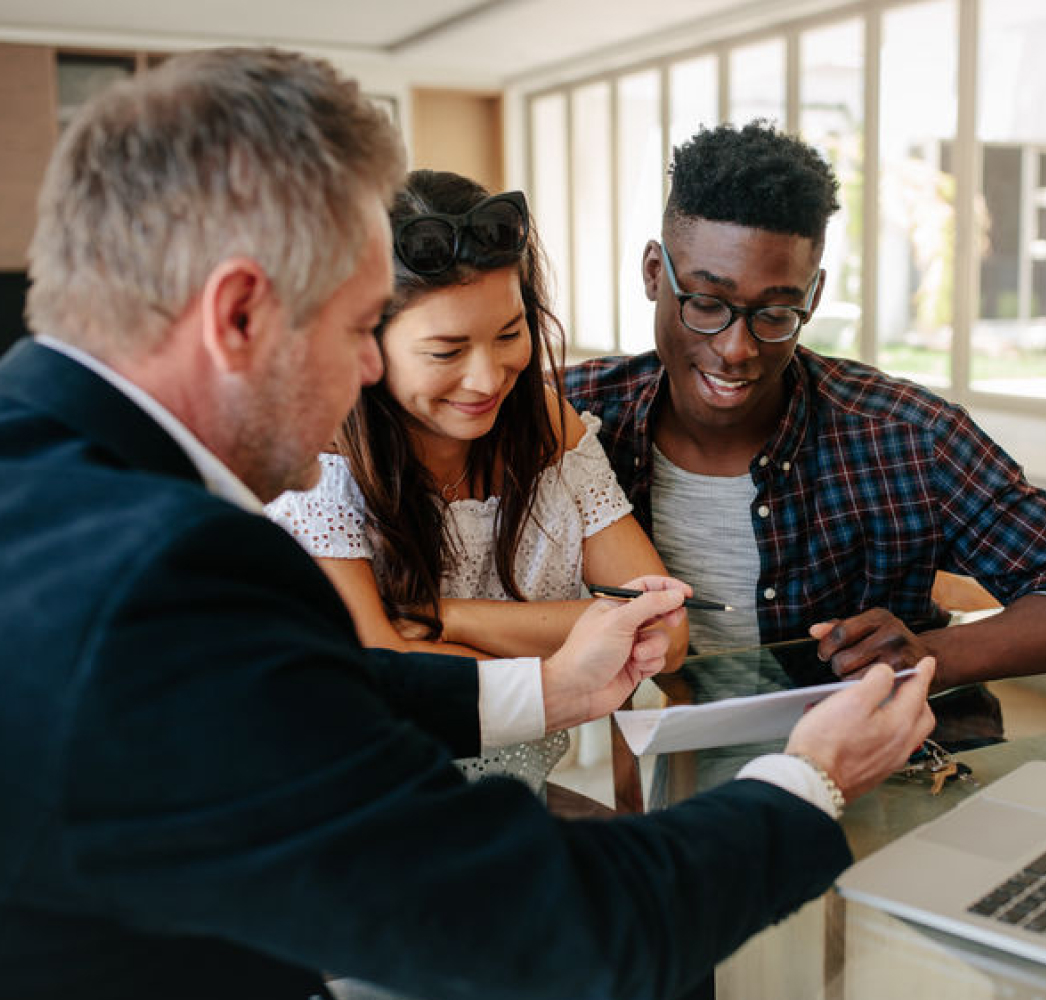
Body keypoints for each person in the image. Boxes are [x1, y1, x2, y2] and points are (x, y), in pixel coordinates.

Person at [0, 49, 935, 1000]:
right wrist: (812, 777)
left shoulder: (40, 479)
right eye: (363, 327)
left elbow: (328, 689)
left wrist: (548, 692)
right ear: (240, 313)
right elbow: (561, 932)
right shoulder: (161, 577)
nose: (372, 374)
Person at [563, 120, 1046, 695]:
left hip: (909, 764)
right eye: (706, 302)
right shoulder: (571, 421)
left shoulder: (907, 437)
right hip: (689, 768)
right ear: (652, 273)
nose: (735, 349)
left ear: (812, 298)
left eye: (774, 313)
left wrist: (930, 653)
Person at [267, 168, 688, 796]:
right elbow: (381, 671)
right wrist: (570, 648)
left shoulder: (548, 426)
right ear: (365, 343)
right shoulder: (321, 456)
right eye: (446, 351)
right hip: (359, 817)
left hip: (517, 808)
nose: (488, 379)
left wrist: (447, 618)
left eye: (510, 334)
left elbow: (663, 632)